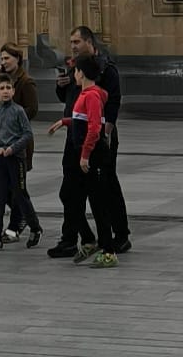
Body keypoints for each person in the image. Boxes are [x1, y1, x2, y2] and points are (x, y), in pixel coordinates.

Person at [54, 24, 129, 252]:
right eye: (71, 43)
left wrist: (105, 134)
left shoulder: (106, 69)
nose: (73, 47)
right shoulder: (74, 68)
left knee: (104, 188)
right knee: (70, 189)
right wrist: (60, 87)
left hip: (97, 139)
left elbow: (113, 102)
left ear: (89, 42)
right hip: (75, 136)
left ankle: (119, 235)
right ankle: (73, 238)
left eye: (76, 42)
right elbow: (68, 98)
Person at [45, 59, 116, 265]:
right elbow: (81, 119)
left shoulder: (92, 95)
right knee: (68, 195)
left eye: (75, 71)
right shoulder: (84, 95)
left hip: (92, 156)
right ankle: (88, 238)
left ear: (82, 73)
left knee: (97, 202)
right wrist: (64, 122)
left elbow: (95, 128)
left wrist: (85, 155)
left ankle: (108, 250)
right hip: (81, 154)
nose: (73, 75)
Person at [0, 72, 40, 251]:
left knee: (20, 194)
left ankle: (35, 228)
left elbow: (27, 133)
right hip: (0, 159)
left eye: (8, 88)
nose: (5, 91)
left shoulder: (18, 111)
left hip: (16, 159)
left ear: (13, 91)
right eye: (2, 88)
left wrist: (13, 148)